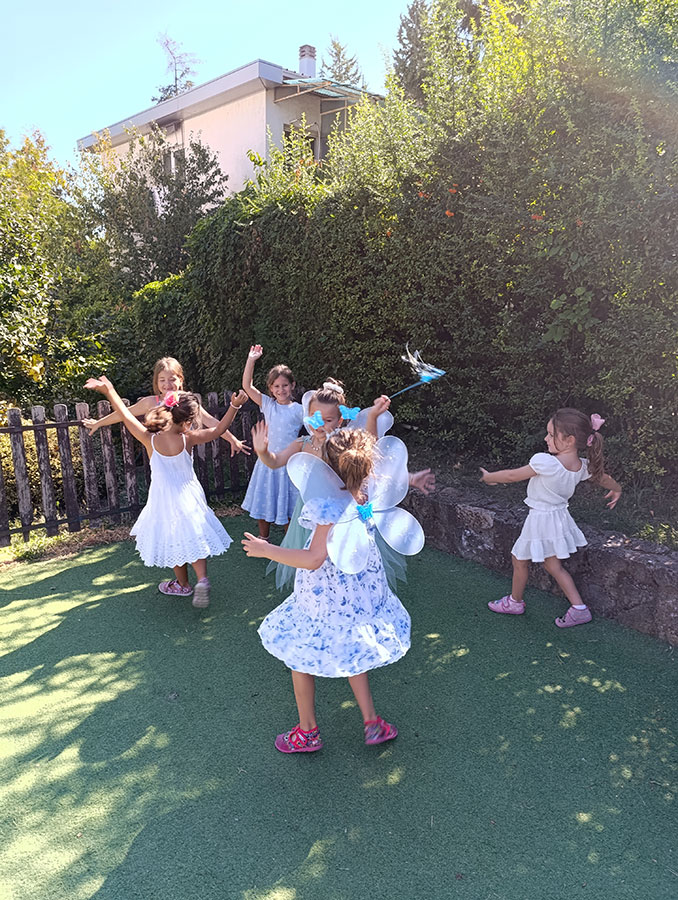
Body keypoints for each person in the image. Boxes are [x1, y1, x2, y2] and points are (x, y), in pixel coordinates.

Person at [242, 427, 415, 753]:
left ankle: (307, 731)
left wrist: (268, 550)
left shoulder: (329, 506)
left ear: (327, 467)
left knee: (299, 655)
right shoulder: (365, 493)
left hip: (326, 597)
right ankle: (372, 723)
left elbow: (313, 558)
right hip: (359, 594)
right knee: (354, 650)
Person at [84, 376, 248, 609]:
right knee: (193, 535)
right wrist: (234, 406)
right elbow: (220, 429)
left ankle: (182, 585)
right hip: (190, 497)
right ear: (188, 421)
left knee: (173, 540)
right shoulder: (189, 438)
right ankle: (202, 579)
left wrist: (109, 390)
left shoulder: (149, 439)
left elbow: (125, 415)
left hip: (163, 500)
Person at [480, 409, 622, 627]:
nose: (546, 438)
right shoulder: (581, 466)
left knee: (519, 559)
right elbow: (603, 478)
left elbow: (512, 475)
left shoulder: (546, 462)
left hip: (540, 520)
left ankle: (515, 602)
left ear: (569, 440)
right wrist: (617, 488)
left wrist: (490, 477)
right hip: (559, 519)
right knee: (553, 566)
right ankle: (579, 608)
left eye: (551, 434)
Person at [83, 356, 249, 456]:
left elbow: (212, 423)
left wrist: (232, 439)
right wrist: (99, 422)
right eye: (162, 380)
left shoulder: (187, 402)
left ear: (180, 380)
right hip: (159, 454)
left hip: (182, 453)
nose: (167, 384)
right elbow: (124, 413)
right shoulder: (150, 402)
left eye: (172, 379)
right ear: (156, 382)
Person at [240, 345, 304, 538]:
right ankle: (263, 538)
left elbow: (315, 429)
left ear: (292, 385)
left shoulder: (299, 409)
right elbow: (247, 386)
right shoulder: (267, 404)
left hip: (289, 465)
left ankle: (290, 543)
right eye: (276, 386)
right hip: (267, 463)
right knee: (264, 503)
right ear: (270, 388)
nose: (281, 390)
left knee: (290, 506)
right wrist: (251, 360)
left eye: (285, 385)